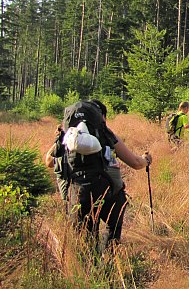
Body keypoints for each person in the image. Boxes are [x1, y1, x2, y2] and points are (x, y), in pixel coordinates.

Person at [45, 99, 152, 253]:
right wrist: (146, 160)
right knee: (112, 228)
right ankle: (109, 261)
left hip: (77, 194)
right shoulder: (105, 134)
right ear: (101, 117)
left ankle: (89, 271)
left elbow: (49, 161)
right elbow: (135, 163)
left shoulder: (69, 136)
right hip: (107, 193)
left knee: (86, 244)